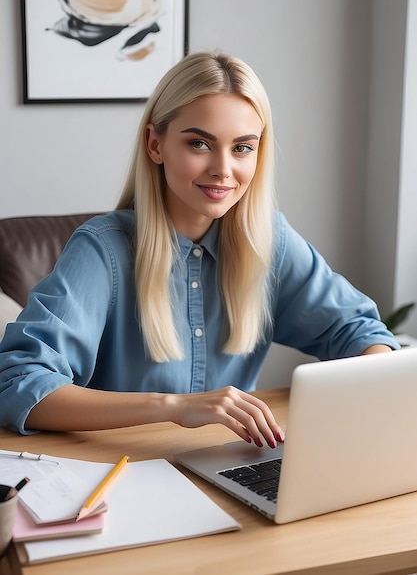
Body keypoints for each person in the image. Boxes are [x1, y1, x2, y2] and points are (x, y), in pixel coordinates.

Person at [0, 51, 398, 444]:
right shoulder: (102, 250)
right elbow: (20, 383)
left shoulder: (268, 240)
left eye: (243, 147)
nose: (223, 169)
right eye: (200, 144)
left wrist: (374, 394)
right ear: (156, 145)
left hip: (234, 464)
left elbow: (358, 330)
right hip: (126, 471)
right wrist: (175, 407)